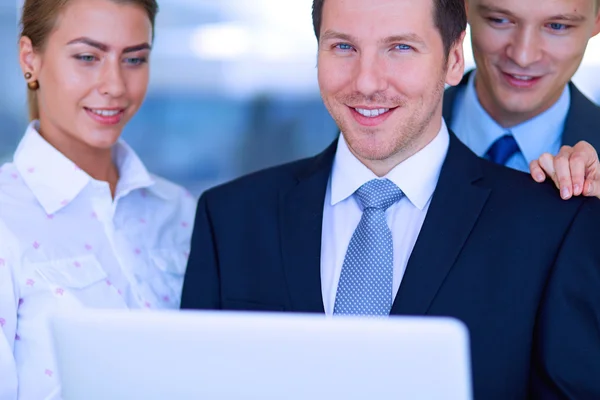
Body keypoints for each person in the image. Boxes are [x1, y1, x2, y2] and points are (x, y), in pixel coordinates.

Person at [180, 0, 600, 398]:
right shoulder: (230, 219)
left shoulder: (552, 227)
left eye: (400, 48)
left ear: (454, 59)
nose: (366, 81)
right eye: (343, 46)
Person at [0, 0, 196, 398]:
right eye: (87, 57)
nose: (115, 85)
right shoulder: (6, 217)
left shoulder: (178, 210)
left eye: (135, 59)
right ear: (29, 59)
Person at [444, 0, 600, 199]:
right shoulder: (398, 138)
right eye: (499, 20)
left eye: (557, 26)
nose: (523, 57)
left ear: (597, 19)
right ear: (464, 7)